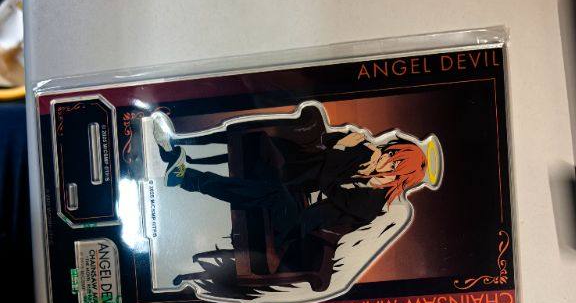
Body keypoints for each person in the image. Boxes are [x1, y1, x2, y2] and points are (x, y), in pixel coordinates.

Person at [152, 102, 442, 257]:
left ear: (401, 178)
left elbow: (329, 188)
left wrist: (340, 150)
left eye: (394, 163)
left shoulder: (372, 204)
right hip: (292, 185)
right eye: (390, 153)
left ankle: (186, 177)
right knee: (262, 140)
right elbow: (327, 143)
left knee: (274, 194)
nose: (385, 158)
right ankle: (179, 147)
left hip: (296, 228)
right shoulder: (364, 156)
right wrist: (345, 143)